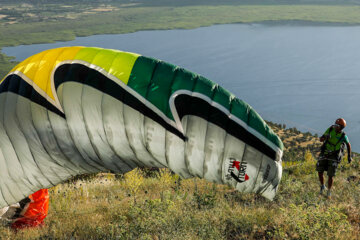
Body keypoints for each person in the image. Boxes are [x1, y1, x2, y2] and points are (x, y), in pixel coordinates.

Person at [317, 118, 352, 198]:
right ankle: (322, 186)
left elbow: (348, 144)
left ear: (341, 127)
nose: (335, 126)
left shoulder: (343, 136)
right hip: (325, 152)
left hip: (334, 155)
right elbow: (320, 139)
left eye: (337, 125)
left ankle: (329, 191)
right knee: (320, 170)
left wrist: (349, 156)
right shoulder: (330, 129)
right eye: (335, 124)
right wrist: (325, 137)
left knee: (330, 174)